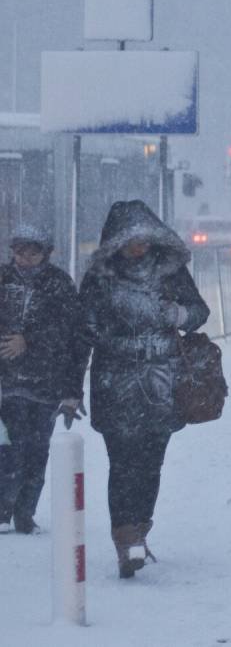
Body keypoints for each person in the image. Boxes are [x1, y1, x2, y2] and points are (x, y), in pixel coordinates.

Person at [80, 200, 209, 578]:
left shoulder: (171, 273)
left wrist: (179, 315)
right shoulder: (101, 278)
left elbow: (199, 311)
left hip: (160, 383)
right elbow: (83, 328)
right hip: (115, 383)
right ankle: (126, 541)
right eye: (131, 241)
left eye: (143, 240)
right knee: (122, 464)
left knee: (151, 463)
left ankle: (139, 529)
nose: (138, 247)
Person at [0, 225, 86, 535]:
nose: (25, 257)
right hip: (5, 385)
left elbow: (71, 337)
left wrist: (72, 390)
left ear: (45, 255)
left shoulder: (60, 285)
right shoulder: (2, 279)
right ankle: (2, 510)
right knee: (8, 449)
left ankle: (25, 513)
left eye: (33, 251)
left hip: (44, 385)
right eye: (20, 250)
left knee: (37, 451)